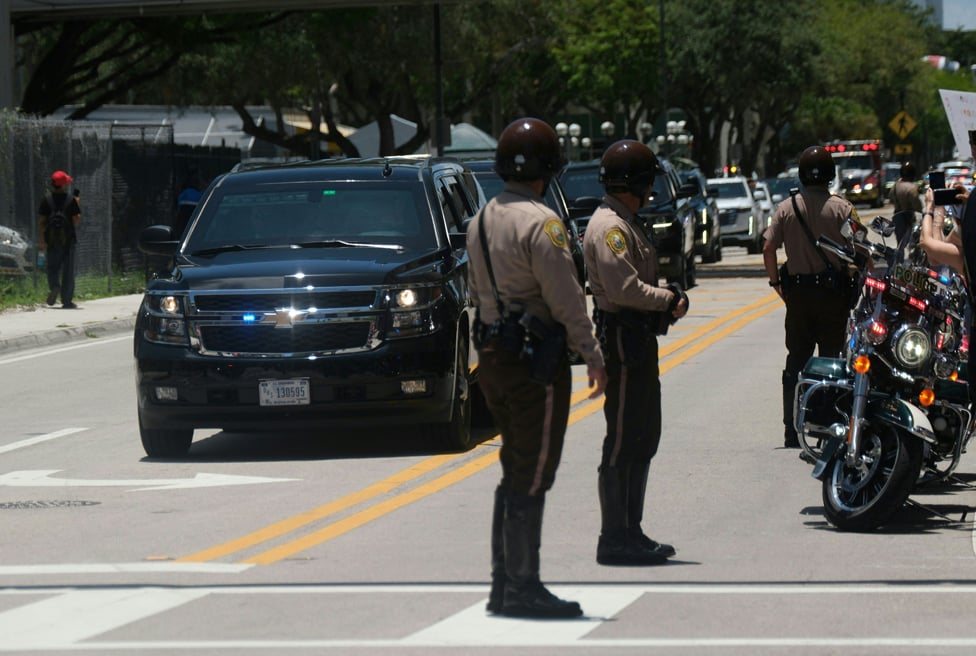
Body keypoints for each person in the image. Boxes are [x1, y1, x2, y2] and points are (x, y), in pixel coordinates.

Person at [467, 117, 608, 619]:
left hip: (492, 360)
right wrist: (593, 354)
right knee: (532, 474)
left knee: (514, 470)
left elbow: (478, 296)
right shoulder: (541, 222)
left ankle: (504, 583)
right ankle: (521, 587)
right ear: (547, 169)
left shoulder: (479, 220)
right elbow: (567, 299)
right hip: (533, 363)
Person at [583, 140, 688, 567]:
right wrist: (667, 299)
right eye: (647, 182)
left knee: (644, 433)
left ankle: (631, 530)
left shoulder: (626, 221)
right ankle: (614, 536)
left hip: (637, 337)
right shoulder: (610, 227)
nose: (651, 191)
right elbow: (625, 289)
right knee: (625, 435)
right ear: (635, 183)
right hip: (623, 337)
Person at [762, 146, 858, 449]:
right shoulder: (842, 208)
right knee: (833, 361)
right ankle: (830, 424)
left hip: (799, 296)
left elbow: (767, 248)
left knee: (796, 362)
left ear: (801, 174)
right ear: (830, 175)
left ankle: (792, 430)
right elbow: (863, 249)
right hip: (833, 297)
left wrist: (776, 283)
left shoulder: (786, 208)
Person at [38, 170, 82, 309]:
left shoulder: (47, 199)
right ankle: (67, 300)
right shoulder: (71, 199)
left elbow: (42, 222)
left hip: (51, 240)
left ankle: (54, 286)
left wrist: (42, 240)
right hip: (68, 240)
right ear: (63, 185)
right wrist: (77, 203)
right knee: (68, 271)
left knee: (52, 268)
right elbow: (76, 220)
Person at [889, 161, 922, 244]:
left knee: (900, 244)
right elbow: (917, 206)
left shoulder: (895, 186)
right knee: (912, 243)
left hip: (897, 218)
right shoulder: (911, 187)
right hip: (909, 218)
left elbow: (891, 199)